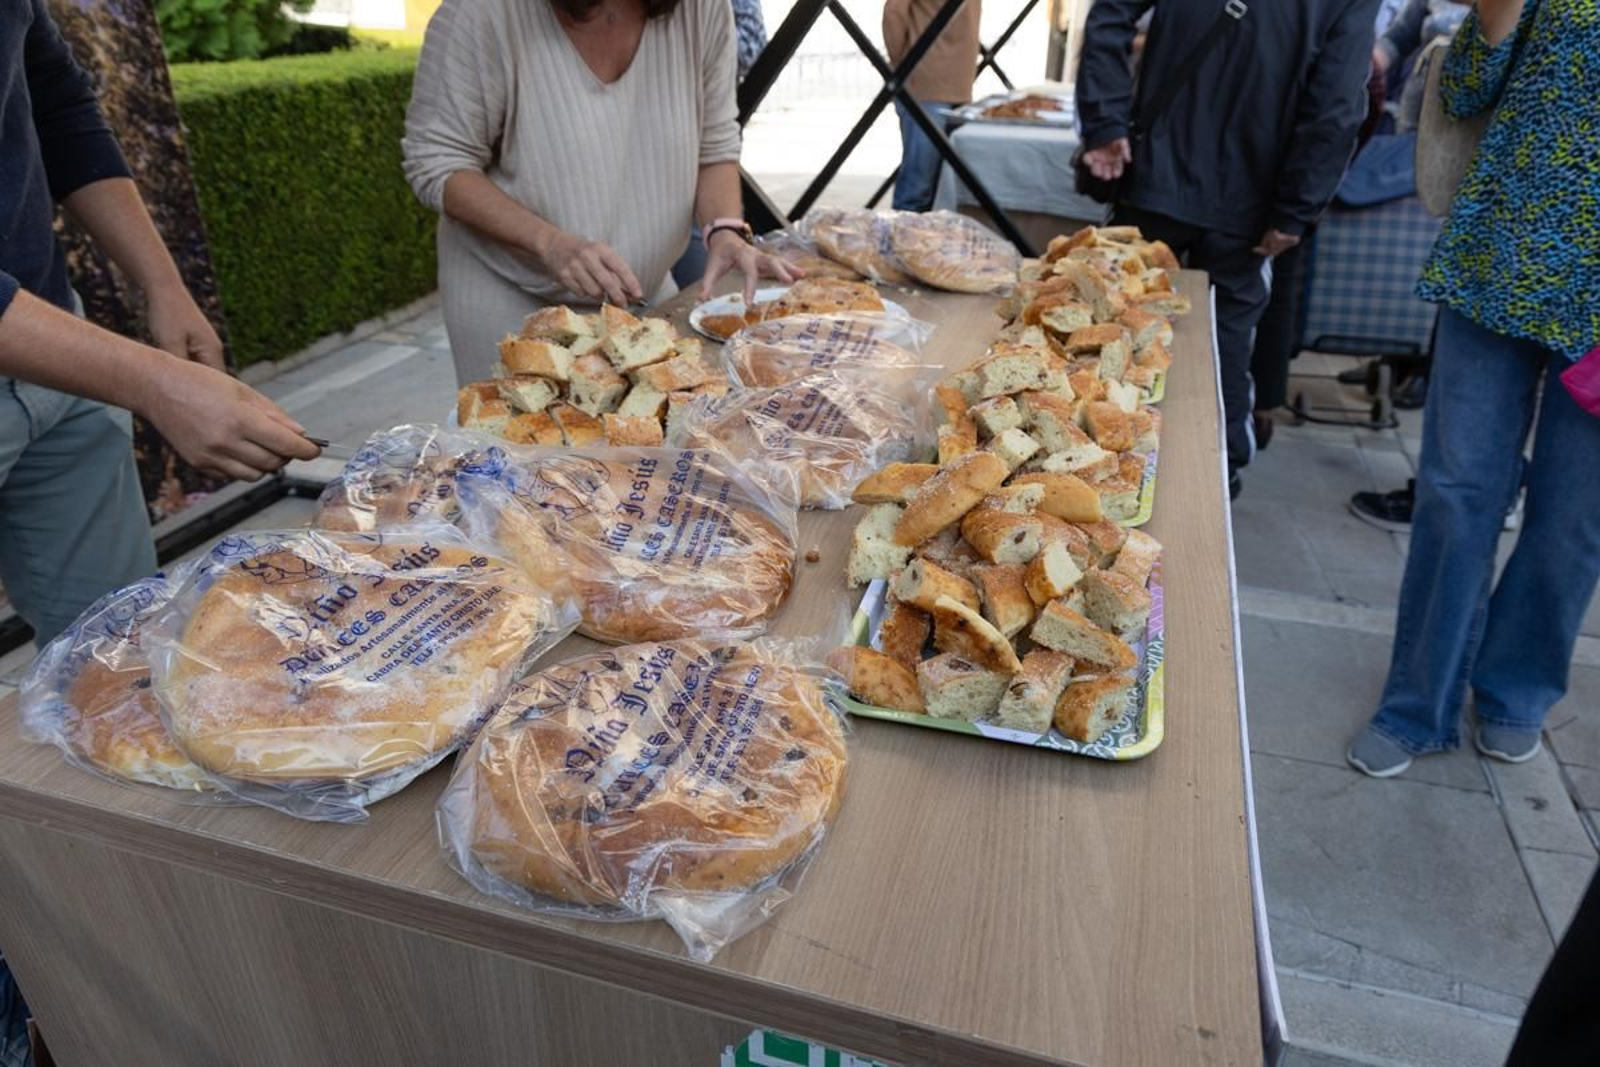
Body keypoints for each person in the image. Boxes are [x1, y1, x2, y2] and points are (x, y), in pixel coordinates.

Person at [2, 0, 319, 1056]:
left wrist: (159, 285)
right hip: (66, 354)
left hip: (48, 351)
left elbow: (51, 93)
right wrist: (152, 381)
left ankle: (119, 967)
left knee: (129, 679)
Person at [1346, 0, 1600, 778]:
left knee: (1573, 517)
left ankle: (1515, 691)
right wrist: (1497, 16)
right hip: (1502, 253)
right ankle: (1417, 703)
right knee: (1458, 491)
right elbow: (1460, 97)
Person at [1076, 0, 1381, 497]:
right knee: (1223, 343)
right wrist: (1295, 209)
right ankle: (1214, 476)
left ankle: (1101, 460)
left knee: (1118, 328)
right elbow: (1338, 103)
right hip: (1247, 201)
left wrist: (1106, 120)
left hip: (1162, 180)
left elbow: (1109, 12)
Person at [403, 0, 794, 385]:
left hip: (642, 298)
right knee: (531, 447)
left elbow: (715, 143)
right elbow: (437, 161)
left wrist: (724, 230)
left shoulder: (702, 8)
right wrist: (551, 243)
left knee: (651, 443)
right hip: (513, 303)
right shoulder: (477, 13)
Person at [882, 0, 982, 213]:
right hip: (927, 86)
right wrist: (903, 62)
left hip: (956, 86)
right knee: (918, 189)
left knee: (941, 188)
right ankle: (901, 241)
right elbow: (894, 11)